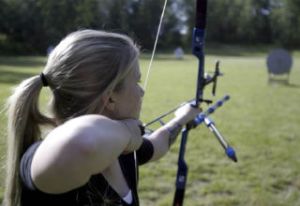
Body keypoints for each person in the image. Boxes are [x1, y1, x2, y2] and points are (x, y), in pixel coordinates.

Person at [3, 29, 201, 206]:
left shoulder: (122, 148)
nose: (142, 92)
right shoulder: (42, 159)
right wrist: (127, 132)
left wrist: (181, 118)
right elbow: (84, 144)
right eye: (137, 81)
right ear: (111, 97)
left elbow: (157, 145)